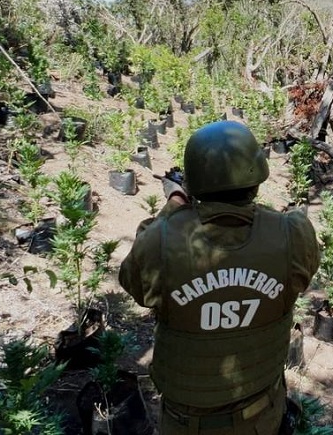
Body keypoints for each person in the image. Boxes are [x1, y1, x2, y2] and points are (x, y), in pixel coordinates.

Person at [119, 120, 320, 435]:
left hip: (187, 425)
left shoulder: (160, 242)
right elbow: (292, 268)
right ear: (257, 178)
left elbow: (134, 283)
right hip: (263, 417)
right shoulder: (293, 235)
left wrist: (173, 206)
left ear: (196, 184)